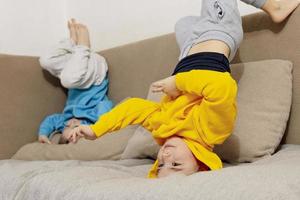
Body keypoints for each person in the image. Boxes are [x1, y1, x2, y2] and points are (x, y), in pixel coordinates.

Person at [67, 0, 299, 178]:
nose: (166, 156)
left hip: (188, 50)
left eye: (161, 165)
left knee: (182, 23)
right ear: (200, 161)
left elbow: (133, 109)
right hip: (218, 36)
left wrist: (96, 130)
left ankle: (212, 13)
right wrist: (177, 84)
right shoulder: (209, 131)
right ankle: (274, 5)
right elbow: (222, 87)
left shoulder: (163, 130)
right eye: (176, 164)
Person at [38, 19, 113, 144]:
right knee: (68, 81)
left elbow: (50, 121)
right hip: (95, 75)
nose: (72, 123)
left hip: (79, 71)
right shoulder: (93, 119)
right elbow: (106, 106)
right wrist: (93, 126)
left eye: (68, 126)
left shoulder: (63, 120)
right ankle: (84, 45)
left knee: (46, 61)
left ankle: (71, 41)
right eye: (76, 128)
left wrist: (43, 134)